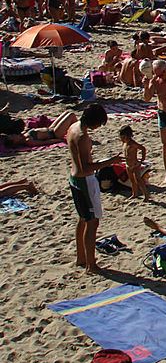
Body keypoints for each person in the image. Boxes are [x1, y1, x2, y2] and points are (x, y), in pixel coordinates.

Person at [67, 104, 121, 273]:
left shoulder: (73, 126)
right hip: (84, 181)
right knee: (92, 222)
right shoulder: (82, 137)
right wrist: (110, 162)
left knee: (83, 218)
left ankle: (81, 257)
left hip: (74, 178)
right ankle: (91, 264)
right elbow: (86, 167)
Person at [119, 125, 149, 202]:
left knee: (138, 180)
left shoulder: (132, 143)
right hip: (128, 164)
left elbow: (143, 148)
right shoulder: (125, 144)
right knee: (132, 180)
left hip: (135, 164)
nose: (121, 139)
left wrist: (142, 159)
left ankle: (146, 195)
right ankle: (134, 193)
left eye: (122, 137)